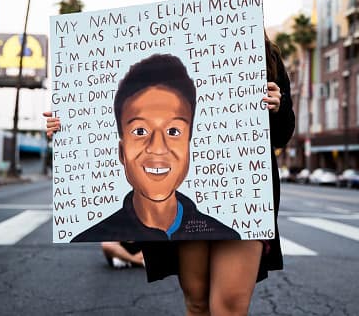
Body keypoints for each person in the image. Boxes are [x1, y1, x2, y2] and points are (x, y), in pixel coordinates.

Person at [46, 0, 295, 315]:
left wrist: (278, 106)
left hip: (243, 196)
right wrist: (69, 126)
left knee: (228, 306)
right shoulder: (171, 45)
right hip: (187, 194)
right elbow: (121, 108)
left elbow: (283, 135)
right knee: (196, 301)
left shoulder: (265, 53)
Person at [70, 54, 239, 242]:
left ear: (190, 145)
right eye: (140, 131)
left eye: (173, 131)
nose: (158, 148)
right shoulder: (92, 236)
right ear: (121, 152)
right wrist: (63, 129)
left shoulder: (225, 236)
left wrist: (274, 107)